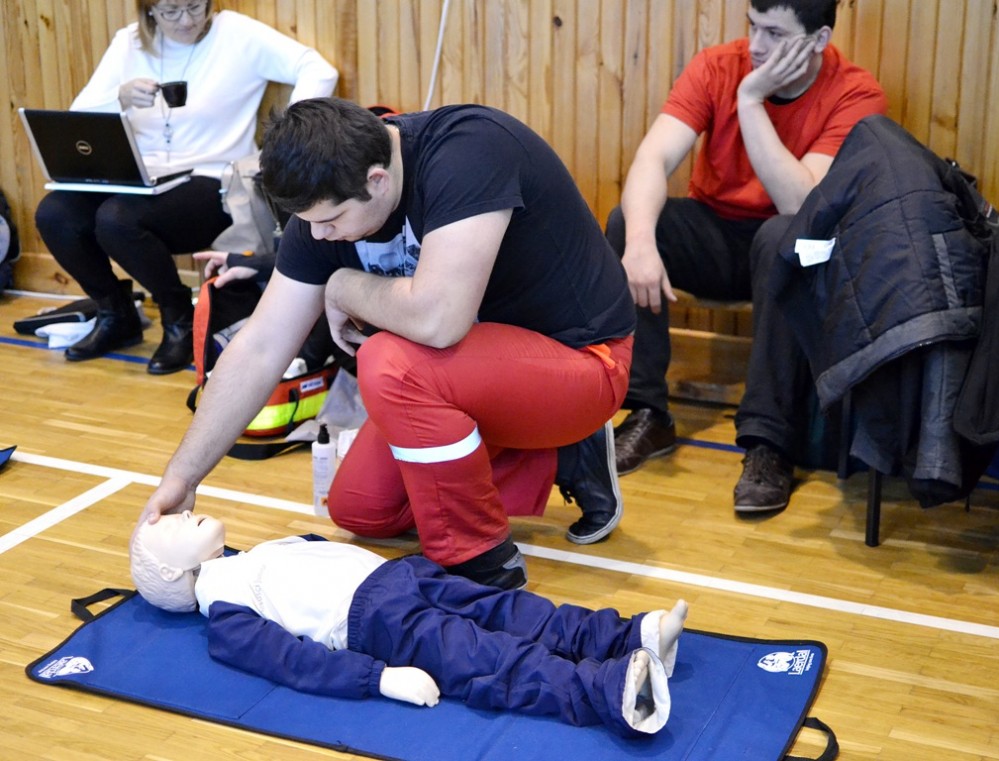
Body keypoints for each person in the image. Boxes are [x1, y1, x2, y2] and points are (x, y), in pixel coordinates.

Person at [140, 98, 637, 589]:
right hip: (478, 376)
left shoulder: (470, 151)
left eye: (331, 221)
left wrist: (343, 285)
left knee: (391, 362)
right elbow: (260, 347)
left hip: (583, 361)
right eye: (309, 223)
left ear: (377, 180)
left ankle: (481, 560)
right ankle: (561, 456)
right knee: (362, 510)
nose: (319, 235)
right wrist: (182, 478)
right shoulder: (327, 200)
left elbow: (438, 321)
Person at [607, 0, 886, 513]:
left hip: (790, 248)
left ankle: (768, 443)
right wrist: (640, 242)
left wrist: (752, 100)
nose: (757, 46)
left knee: (782, 236)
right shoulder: (718, 65)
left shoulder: (855, 93)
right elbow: (654, 156)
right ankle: (648, 413)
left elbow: (799, 204)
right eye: (753, 27)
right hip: (717, 235)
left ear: (818, 40)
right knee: (629, 221)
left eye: (775, 34)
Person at [130, 512, 689, 738]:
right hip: (376, 622)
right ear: (170, 571)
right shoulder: (224, 612)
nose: (185, 512)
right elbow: (294, 663)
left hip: (401, 577)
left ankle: (627, 636)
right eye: (173, 526)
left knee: (514, 612)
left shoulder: (252, 554)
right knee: (486, 658)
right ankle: (609, 692)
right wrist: (378, 677)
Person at [34, 0, 338, 374]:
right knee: (55, 214)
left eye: (196, 7)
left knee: (116, 219)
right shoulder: (129, 43)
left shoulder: (236, 33)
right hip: (141, 176)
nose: (187, 20)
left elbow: (318, 68)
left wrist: (288, 137)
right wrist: (120, 98)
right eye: (171, 11)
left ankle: (178, 317)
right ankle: (115, 312)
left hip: (214, 178)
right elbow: (78, 117)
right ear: (150, 11)